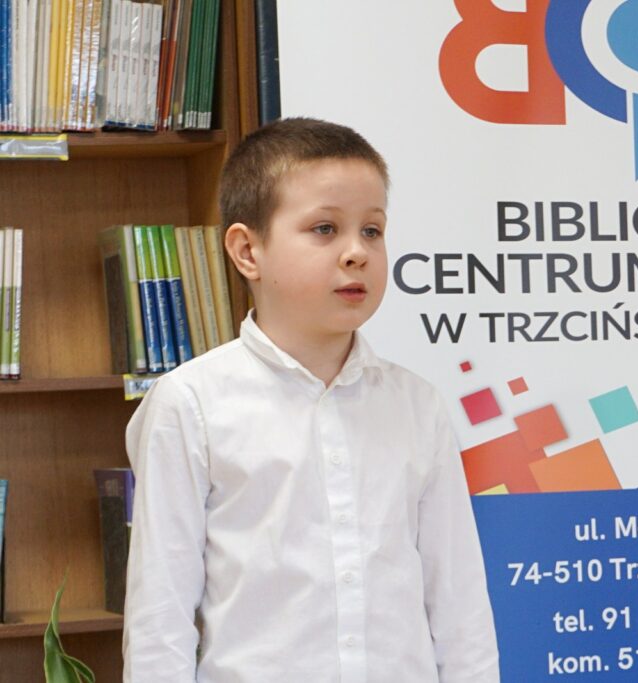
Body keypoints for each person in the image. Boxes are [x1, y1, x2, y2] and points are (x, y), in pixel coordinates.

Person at [122, 117, 500, 682]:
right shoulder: (191, 403)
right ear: (247, 251)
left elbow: (459, 604)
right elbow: (160, 617)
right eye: (325, 229)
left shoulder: (417, 405)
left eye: (372, 230)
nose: (356, 253)